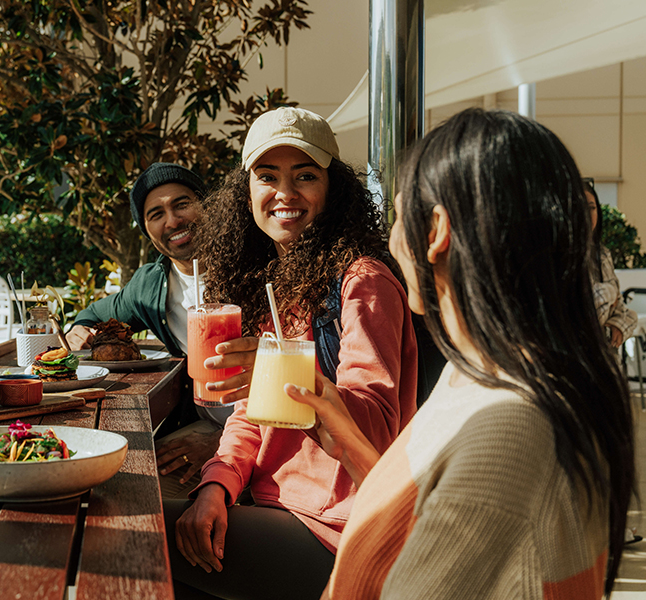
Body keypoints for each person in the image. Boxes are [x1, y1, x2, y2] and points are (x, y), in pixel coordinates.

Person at [287, 108, 635, 598]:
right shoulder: (482, 371)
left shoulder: (512, 425)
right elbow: (429, 518)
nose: (390, 238)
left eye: (397, 213)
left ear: (435, 231)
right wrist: (353, 448)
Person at [165, 107, 418, 600]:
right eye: (267, 176)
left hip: (336, 527)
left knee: (131, 532)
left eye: (305, 175)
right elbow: (247, 420)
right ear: (247, 193)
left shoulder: (361, 283)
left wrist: (287, 375)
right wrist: (215, 487)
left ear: (334, 190)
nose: (285, 192)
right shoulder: (273, 284)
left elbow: (377, 430)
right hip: (270, 502)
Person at [66, 162, 231, 497]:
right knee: (119, 486)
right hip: (201, 425)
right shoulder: (151, 285)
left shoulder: (253, 266)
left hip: (264, 432)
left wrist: (222, 440)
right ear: (147, 230)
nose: (172, 221)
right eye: (156, 214)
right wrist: (79, 328)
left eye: (182, 204)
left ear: (208, 205)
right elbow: (95, 314)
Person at [585, 180, 637, 349]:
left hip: (604, 358)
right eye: (580, 207)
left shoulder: (602, 254)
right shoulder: (559, 255)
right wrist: (610, 292)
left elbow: (624, 311)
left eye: (592, 207)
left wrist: (618, 326)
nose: (587, 213)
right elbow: (586, 312)